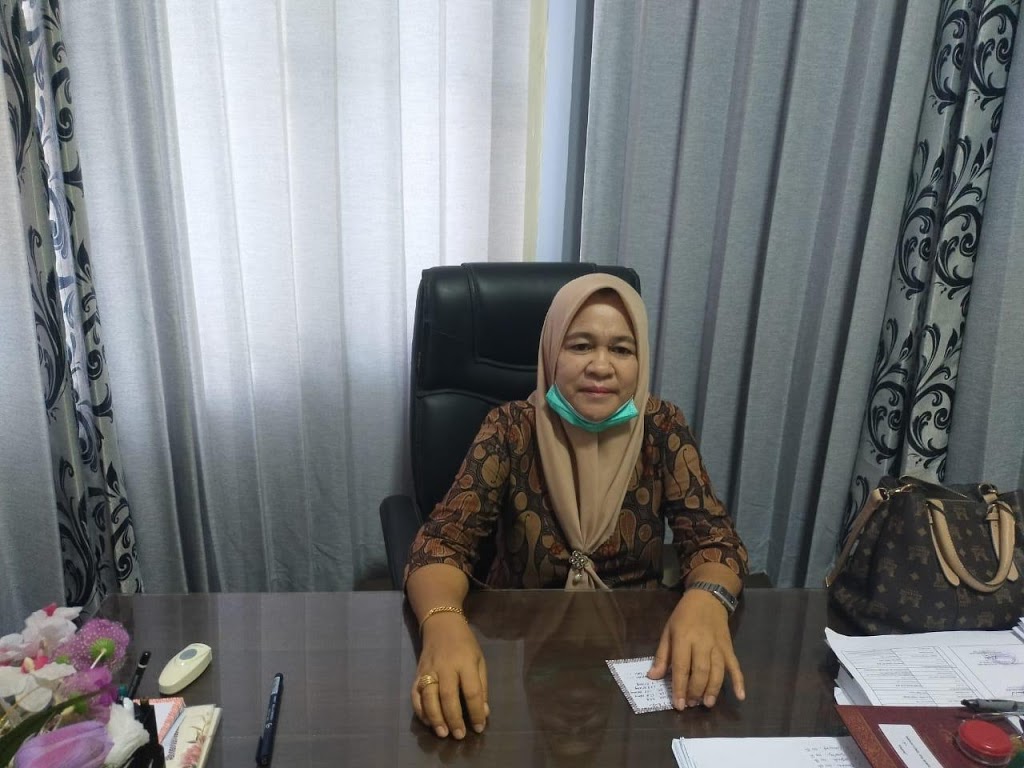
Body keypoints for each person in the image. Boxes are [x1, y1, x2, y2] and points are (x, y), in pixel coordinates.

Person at [404, 273, 749, 741]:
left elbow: (715, 539)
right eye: (581, 346)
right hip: (520, 642)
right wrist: (442, 623)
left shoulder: (661, 426)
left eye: (621, 349)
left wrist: (707, 600)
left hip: (638, 656)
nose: (601, 366)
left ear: (641, 360)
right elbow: (441, 543)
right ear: (551, 352)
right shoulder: (511, 428)